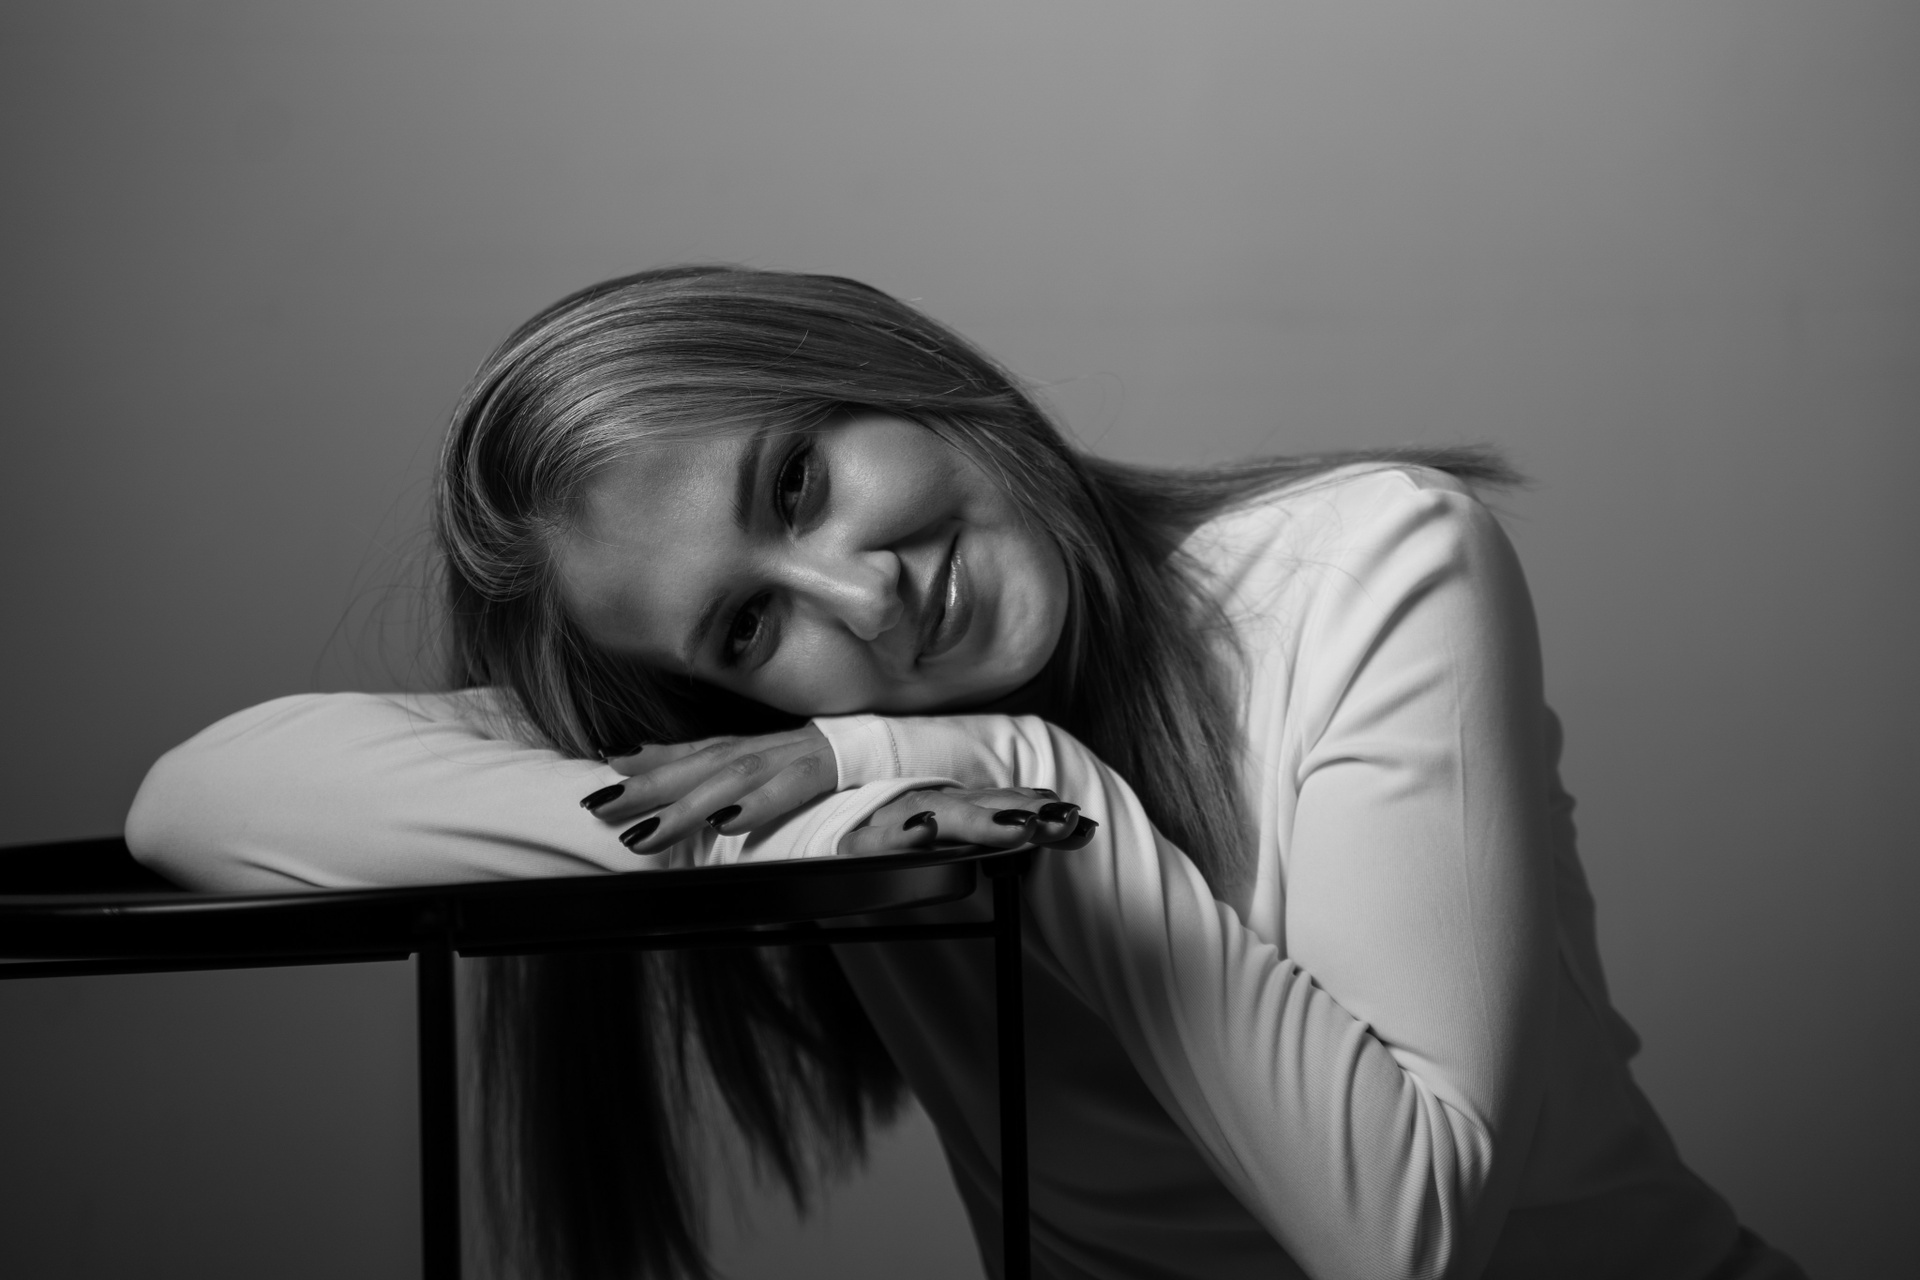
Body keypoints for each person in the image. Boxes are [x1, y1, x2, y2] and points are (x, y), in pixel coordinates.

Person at [125, 266, 1805, 1280]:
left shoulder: (1365, 562)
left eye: (797, 485)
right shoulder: (811, 778)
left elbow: (1404, 1237)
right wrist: (833, 818)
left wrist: (1006, 774)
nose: (860, 602)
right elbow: (204, 797)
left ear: (891, 370)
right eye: (748, 627)